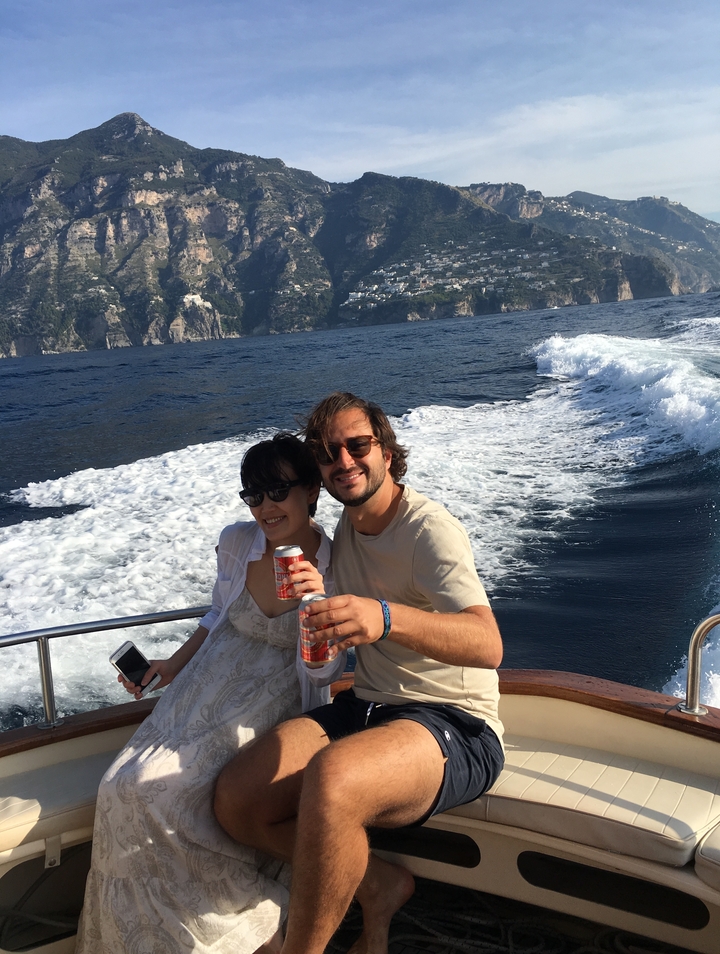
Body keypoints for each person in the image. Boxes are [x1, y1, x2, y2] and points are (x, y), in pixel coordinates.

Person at [214, 393, 505, 954]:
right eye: (328, 453)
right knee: (237, 798)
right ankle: (378, 885)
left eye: (358, 445)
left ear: (388, 451)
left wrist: (385, 617)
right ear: (319, 474)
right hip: (368, 706)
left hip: (455, 723)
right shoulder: (339, 536)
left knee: (331, 779)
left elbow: (488, 644)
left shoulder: (428, 530)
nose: (344, 461)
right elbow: (279, 598)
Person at [76, 433, 343, 954]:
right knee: (118, 787)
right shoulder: (239, 542)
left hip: (274, 694)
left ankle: (250, 931)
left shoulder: (337, 564)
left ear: (311, 490)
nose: (265, 506)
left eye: (277, 491)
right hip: (207, 681)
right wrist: (170, 667)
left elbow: (322, 675)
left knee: (161, 792)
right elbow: (218, 615)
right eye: (253, 495)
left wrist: (316, 604)